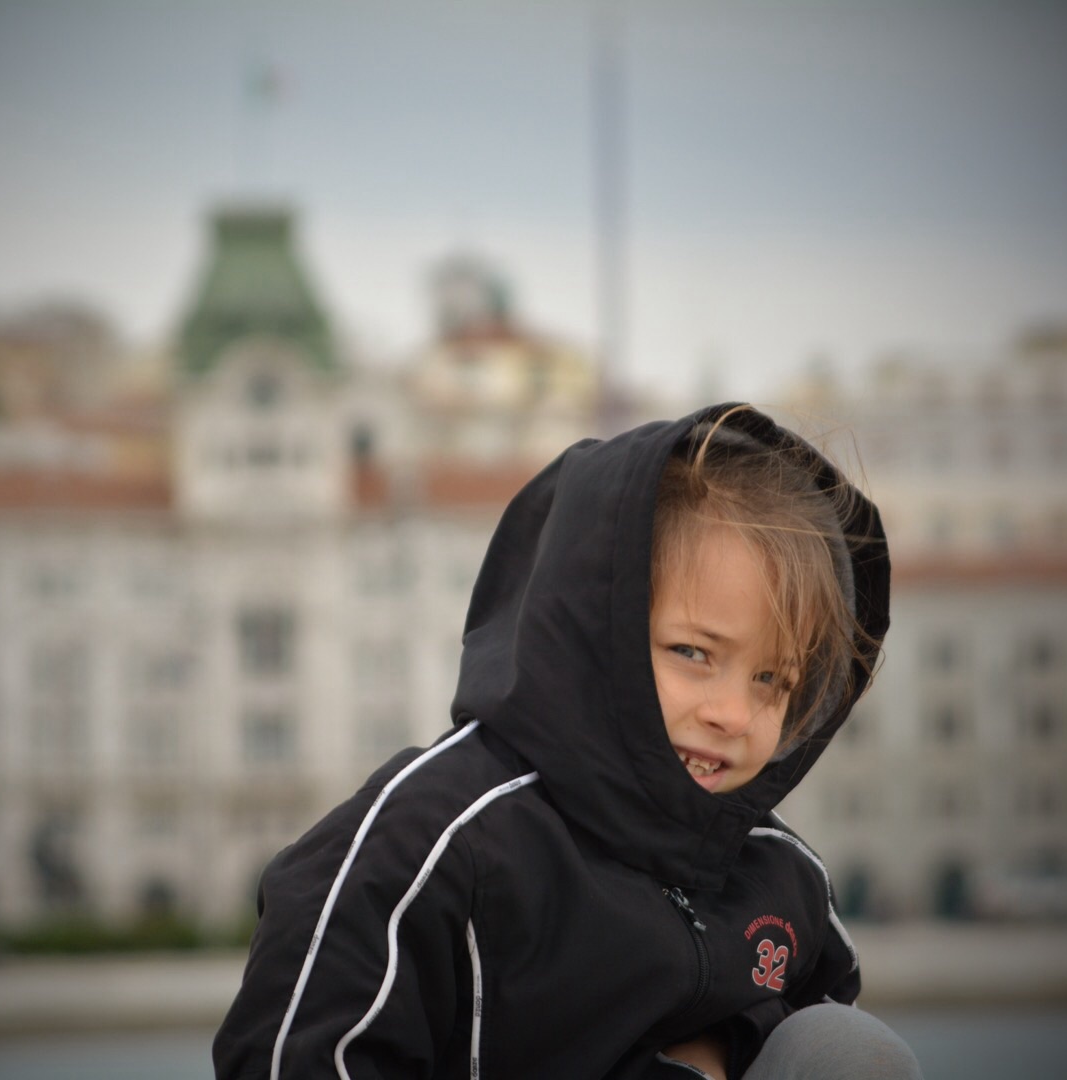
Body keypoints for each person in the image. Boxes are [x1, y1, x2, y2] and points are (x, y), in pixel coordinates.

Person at [214, 403, 921, 1079]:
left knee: (842, 1046)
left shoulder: (780, 869)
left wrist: (720, 1049)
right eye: (693, 653)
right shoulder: (440, 838)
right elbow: (301, 1049)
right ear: (590, 632)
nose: (734, 713)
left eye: (773, 679)